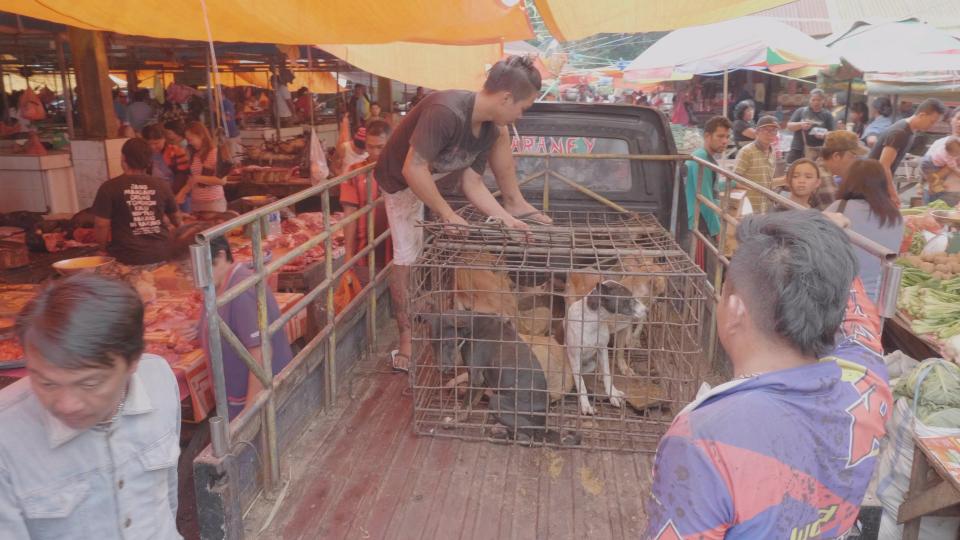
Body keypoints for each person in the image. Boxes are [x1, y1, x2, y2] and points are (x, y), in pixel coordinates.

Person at [645, 210, 891, 539]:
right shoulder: (867, 379)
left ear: (734, 311)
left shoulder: (703, 441)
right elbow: (858, 318)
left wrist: (824, 233)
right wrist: (826, 243)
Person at [373, 55, 551, 372]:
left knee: (502, 133)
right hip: (400, 179)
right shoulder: (446, 110)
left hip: (437, 168)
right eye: (522, 109)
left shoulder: (489, 128)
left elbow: (473, 183)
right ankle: (407, 339)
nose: (521, 116)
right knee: (407, 256)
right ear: (506, 98)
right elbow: (413, 170)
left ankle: (514, 203)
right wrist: (446, 213)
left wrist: (505, 218)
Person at [0, 274, 182, 539]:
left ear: (132, 362)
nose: (67, 405)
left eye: (89, 384)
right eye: (47, 383)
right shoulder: (6, 436)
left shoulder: (159, 378)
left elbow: (166, 497)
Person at [203, 236, 294, 419]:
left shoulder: (242, 290)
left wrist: (249, 415)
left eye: (192, 269)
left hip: (256, 403)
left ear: (220, 256)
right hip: (237, 394)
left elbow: (261, 352)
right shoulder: (217, 285)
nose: (191, 278)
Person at [825, 159, 904, 302]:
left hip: (841, 297)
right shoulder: (896, 217)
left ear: (849, 181)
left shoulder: (839, 209)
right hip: (878, 300)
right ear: (882, 184)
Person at [93, 138, 180, 265]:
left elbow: (101, 224)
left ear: (123, 159)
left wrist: (102, 250)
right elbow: (176, 218)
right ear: (149, 162)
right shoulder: (162, 185)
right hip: (162, 253)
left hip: (127, 257)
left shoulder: (109, 187)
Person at [341, 120, 392, 280]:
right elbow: (350, 214)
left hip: (396, 248)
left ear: (390, 143)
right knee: (368, 296)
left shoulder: (400, 170)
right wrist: (348, 255)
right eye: (370, 147)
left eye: (380, 147)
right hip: (365, 249)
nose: (375, 152)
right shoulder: (354, 171)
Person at [868, 98, 947, 194]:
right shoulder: (900, 132)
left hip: (877, 184)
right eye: (932, 122)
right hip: (870, 183)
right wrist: (892, 192)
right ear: (922, 115)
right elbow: (884, 166)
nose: (932, 126)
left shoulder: (911, 131)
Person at [177, 121, 227, 213]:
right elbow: (192, 180)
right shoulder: (194, 155)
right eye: (188, 140)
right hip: (196, 201)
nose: (190, 143)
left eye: (191, 140)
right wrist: (182, 193)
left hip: (213, 202)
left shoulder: (214, 153)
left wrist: (198, 178)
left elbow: (222, 180)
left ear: (201, 135)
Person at [733, 115, 778, 213]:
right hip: (749, 206)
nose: (770, 133)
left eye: (773, 130)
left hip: (766, 205)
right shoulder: (747, 152)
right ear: (757, 132)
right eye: (766, 130)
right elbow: (735, 180)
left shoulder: (772, 151)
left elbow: (768, 180)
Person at [786, 88, 835, 163]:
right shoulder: (801, 111)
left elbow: (832, 134)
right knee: (791, 170)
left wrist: (824, 135)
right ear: (809, 100)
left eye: (819, 100)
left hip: (818, 150)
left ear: (823, 101)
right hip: (798, 149)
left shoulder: (828, 115)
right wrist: (800, 125)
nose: (816, 102)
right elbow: (789, 126)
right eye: (813, 100)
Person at [142, 123, 190, 197]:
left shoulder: (176, 151)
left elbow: (182, 175)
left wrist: (172, 195)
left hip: (176, 194)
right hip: (156, 194)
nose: (152, 147)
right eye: (149, 144)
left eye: (156, 143)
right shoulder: (146, 154)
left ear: (164, 138)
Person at [921, 136, 960, 206]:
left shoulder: (945, 143)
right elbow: (952, 167)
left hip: (952, 194)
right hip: (938, 193)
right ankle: (933, 186)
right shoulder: (941, 143)